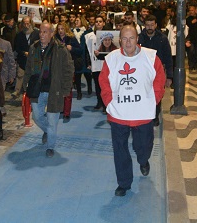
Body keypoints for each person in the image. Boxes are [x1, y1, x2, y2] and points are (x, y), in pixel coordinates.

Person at [99, 24, 166, 196]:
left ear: (137, 39)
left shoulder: (150, 57)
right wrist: (109, 102)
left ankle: (143, 160)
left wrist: (154, 100)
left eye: (132, 38)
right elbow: (104, 82)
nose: (128, 43)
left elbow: (159, 79)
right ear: (119, 40)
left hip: (143, 113)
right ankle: (124, 183)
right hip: (119, 113)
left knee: (143, 146)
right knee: (120, 150)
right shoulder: (111, 59)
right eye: (125, 39)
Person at [23, 23, 74, 157]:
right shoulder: (34, 48)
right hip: (37, 89)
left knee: (52, 121)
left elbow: (69, 70)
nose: (41, 35)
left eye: (45, 32)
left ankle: (50, 146)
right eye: (40, 32)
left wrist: (66, 89)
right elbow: (28, 68)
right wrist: (25, 85)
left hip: (54, 90)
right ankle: (48, 131)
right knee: (36, 116)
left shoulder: (60, 49)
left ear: (51, 33)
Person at [138, 15, 173, 126]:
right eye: (147, 25)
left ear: (156, 25)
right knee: (143, 94)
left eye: (152, 25)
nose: (149, 27)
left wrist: (169, 76)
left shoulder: (162, 38)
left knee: (156, 93)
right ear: (144, 25)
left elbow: (168, 57)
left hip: (158, 72)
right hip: (142, 72)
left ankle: (155, 116)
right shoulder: (139, 38)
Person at [54, 21, 80, 121]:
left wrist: (72, 48)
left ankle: (67, 112)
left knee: (68, 90)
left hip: (68, 67)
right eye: (59, 29)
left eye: (62, 29)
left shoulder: (71, 38)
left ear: (66, 29)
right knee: (58, 89)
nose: (60, 31)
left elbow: (80, 50)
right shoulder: (54, 38)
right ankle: (61, 108)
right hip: (57, 67)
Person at [12, 16, 40, 98]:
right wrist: (24, 52)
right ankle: (17, 91)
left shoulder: (36, 34)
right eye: (25, 23)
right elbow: (17, 47)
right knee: (20, 75)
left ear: (31, 23)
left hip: (34, 59)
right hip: (23, 59)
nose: (26, 25)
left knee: (31, 76)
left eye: (28, 23)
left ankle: (29, 91)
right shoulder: (19, 35)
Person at [71, 15, 92, 100]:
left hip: (84, 55)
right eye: (75, 20)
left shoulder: (86, 32)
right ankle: (79, 93)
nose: (76, 22)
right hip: (76, 55)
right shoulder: (72, 32)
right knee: (77, 75)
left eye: (77, 20)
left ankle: (90, 87)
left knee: (87, 74)